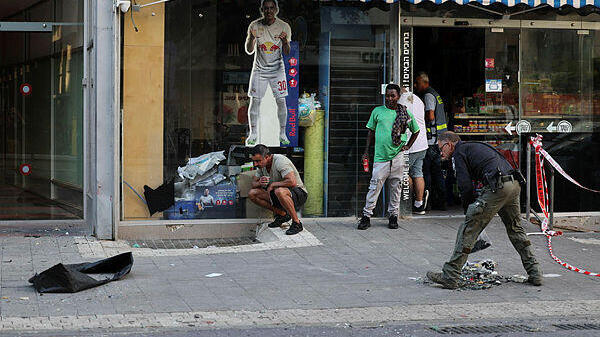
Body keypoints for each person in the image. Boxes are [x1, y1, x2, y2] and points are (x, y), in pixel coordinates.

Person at [426, 132, 542, 289]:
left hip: (499, 187)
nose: (441, 153)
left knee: (468, 229)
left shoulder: (459, 153)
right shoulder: (472, 147)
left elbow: (465, 186)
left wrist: (470, 211)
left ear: (450, 144)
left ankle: (450, 275)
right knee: (515, 229)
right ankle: (535, 272)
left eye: (441, 148)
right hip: (513, 184)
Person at [357, 84, 420, 230]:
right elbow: (370, 132)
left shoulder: (404, 113)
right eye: (387, 95)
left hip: (398, 156)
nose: (390, 98)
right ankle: (366, 216)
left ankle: (393, 216)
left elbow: (416, 131)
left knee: (396, 187)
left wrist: (408, 146)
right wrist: (366, 151)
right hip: (380, 157)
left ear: (398, 97)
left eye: (393, 96)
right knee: (374, 187)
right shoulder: (377, 111)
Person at [244, 0, 292, 146]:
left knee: (281, 100)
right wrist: (252, 37)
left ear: (276, 9)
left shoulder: (284, 26)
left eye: (271, 8)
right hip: (259, 69)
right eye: (266, 8)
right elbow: (249, 50)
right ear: (262, 10)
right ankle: (253, 133)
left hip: (278, 69)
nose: (269, 11)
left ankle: (283, 133)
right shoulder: (254, 25)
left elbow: (287, 53)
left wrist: (285, 42)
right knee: (255, 101)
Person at [248, 144, 307, 235]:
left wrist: (273, 184)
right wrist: (259, 183)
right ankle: (283, 215)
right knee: (253, 193)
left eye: (258, 161)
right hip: (277, 195)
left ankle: (297, 223)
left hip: (298, 193)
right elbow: (253, 184)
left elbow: (292, 182)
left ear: (267, 157)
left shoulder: (280, 161)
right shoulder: (262, 166)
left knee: (279, 190)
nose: (256, 164)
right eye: (254, 161)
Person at [414, 72, 447, 211]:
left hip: (431, 142)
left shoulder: (428, 95)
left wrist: (419, 120)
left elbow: (431, 115)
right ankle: (442, 202)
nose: (415, 86)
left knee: (426, 172)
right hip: (439, 140)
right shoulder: (436, 94)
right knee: (438, 173)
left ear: (424, 82)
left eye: (417, 83)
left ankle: (427, 203)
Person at [400, 88, 429, 215]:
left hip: (409, 144)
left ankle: (407, 201)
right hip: (422, 143)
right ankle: (419, 204)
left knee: (403, 174)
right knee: (417, 173)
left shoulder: (401, 101)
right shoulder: (417, 99)